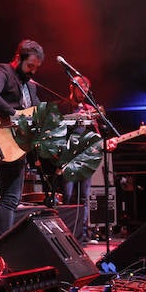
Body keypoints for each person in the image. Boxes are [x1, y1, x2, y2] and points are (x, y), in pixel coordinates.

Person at [0, 39, 44, 233]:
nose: (33, 71)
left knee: (11, 198)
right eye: (30, 66)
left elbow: (36, 111)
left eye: (36, 68)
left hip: (18, 145)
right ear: (18, 58)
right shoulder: (3, 72)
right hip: (2, 138)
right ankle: (4, 244)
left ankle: (4, 242)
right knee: (10, 197)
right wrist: (15, 114)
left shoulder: (31, 87)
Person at [56, 75, 101, 243]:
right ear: (72, 87)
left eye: (86, 91)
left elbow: (97, 133)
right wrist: (75, 118)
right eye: (81, 90)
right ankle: (65, 233)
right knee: (67, 195)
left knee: (84, 197)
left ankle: (82, 233)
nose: (83, 94)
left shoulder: (90, 109)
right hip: (68, 157)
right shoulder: (62, 106)